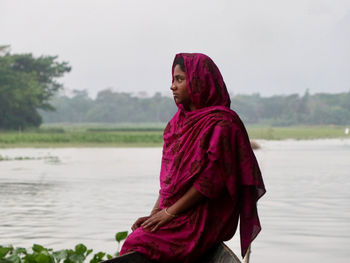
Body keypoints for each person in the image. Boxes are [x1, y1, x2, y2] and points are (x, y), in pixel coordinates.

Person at [119, 53, 266, 262]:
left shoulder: (223, 124)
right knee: (137, 237)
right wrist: (155, 214)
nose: (172, 86)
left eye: (179, 80)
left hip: (205, 215)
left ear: (199, 82)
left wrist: (169, 214)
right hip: (179, 210)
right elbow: (170, 180)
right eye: (172, 80)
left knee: (137, 243)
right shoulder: (176, 123)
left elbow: (210, 183)